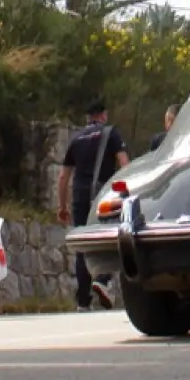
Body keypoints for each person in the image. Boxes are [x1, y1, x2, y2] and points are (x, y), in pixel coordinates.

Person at [58, 100, 129, 312]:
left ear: (88, 117)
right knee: (108, 237)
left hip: (80, 197)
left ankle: (83, 300)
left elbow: (63, 177)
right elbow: (125, 164)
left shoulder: (75, 138)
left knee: (83, 245)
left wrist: (62, 206)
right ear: (104, 115)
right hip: (104, 196)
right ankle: (103, 279)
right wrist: (127, 194)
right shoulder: (111, 134)